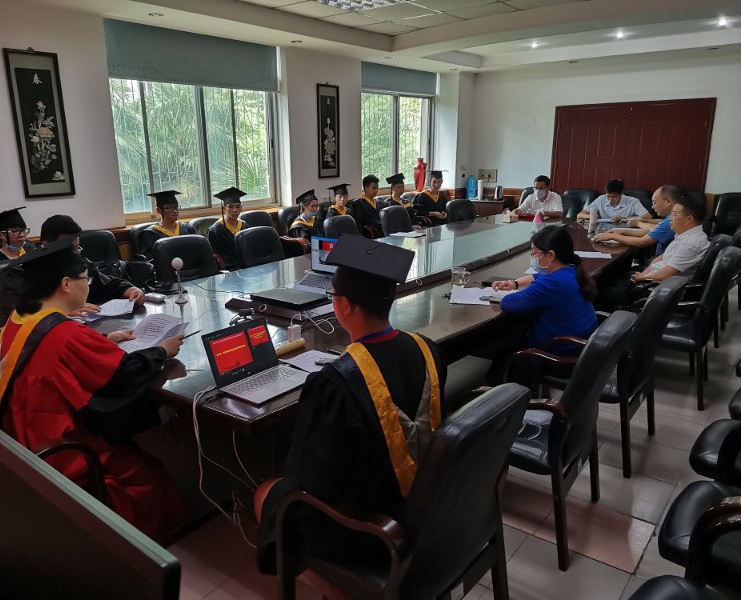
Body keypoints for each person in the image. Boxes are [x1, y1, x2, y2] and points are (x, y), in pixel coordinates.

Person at [255, 234, 448, 586]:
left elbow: (312, 478)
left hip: (371, 524)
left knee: (268, 492)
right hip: (425, 501)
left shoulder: (336, 383)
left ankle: (344, 589)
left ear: (343, 306)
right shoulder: (426, 349)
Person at [0, 238, 188, 542]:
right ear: (66, 284)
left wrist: (105, 340)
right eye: (86, 280)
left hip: (18, 428)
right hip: (57, 444)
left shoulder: (22, 318)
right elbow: (122, 374)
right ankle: (144, 541)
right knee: (146, 473)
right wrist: (161, 351)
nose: (88, 286)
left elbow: (56, 359)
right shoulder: (66, 333)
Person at [492, 226, 597, 349]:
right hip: (581, 343)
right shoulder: (573, 270)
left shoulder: (552, 283)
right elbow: (539, 277)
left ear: (550, 255)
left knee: (503, 348)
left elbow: (510, 303)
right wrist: (514, 284)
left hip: (559, 350)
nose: (535, 257)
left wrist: (519, 291)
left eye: (535, 254)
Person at [39, 215, 146, 308]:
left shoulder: (80, 264)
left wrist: (131, 290)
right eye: (68, 249)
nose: (74, 255)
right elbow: (34, 309)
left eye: (77, 248)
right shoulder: (33, 273)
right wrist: (66, 310)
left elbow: (107, 284)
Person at [630, 194, 709, 283]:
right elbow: (662, 258)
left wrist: (642, 277)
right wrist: (644, 274)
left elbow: (663, 275)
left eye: (674, 214)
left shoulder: (692, 243)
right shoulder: (684, 235)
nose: (670, 219)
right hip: (650, 276)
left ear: (689, 219)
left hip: (657, 286)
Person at [592, 185, 678, 257]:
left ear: (668, 201)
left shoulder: (671, 220)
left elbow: (641, 242)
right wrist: (622, 232)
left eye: (654, 202)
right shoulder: (670, 217)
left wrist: (612, 236)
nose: (652, 207)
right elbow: (652, 232)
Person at [138, 190, 196, 259]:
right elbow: (149, 260)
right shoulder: (149, 234)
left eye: (176, 207)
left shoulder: (188, 228)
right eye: (169, 208)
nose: (175, 211)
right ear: (159, 210)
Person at [208, 186, 250, 270]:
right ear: (224, 209)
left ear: (241, 208)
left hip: (248, 264)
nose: (235, 210)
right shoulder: (215, 230)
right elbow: (217, 256)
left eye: (238, 206)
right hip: (229, 268)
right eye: (230, 207)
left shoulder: (244, 226)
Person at [576, 179, 651, 222]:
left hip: (625, 232)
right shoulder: (601, 199)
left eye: (614, 197)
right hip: (603, 231)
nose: (610, 200)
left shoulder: (633, 202)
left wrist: (624, 218)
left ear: (621, 193)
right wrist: (593, 216)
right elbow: (580, 215)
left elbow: (648, 217)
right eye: (608, 196)